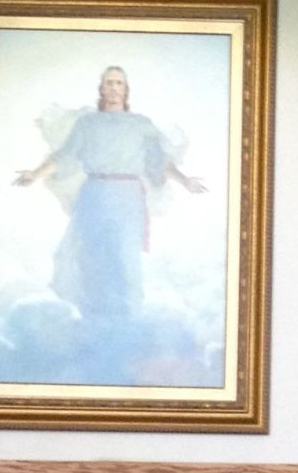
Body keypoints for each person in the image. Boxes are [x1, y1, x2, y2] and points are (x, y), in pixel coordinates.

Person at [14, 64, 205, 319]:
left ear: (126, 90)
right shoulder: (87, 123)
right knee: (91, 260)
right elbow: (65, 156)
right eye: (109, 83)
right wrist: (35, 174)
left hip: (127, 198)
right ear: (101, 89)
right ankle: (94, 326)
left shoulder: (141, 125)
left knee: (127, 263)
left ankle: (130, 325)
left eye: (119, 83)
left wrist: (185, 181)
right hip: (93, 195)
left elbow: (159, 161)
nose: (114, 88)